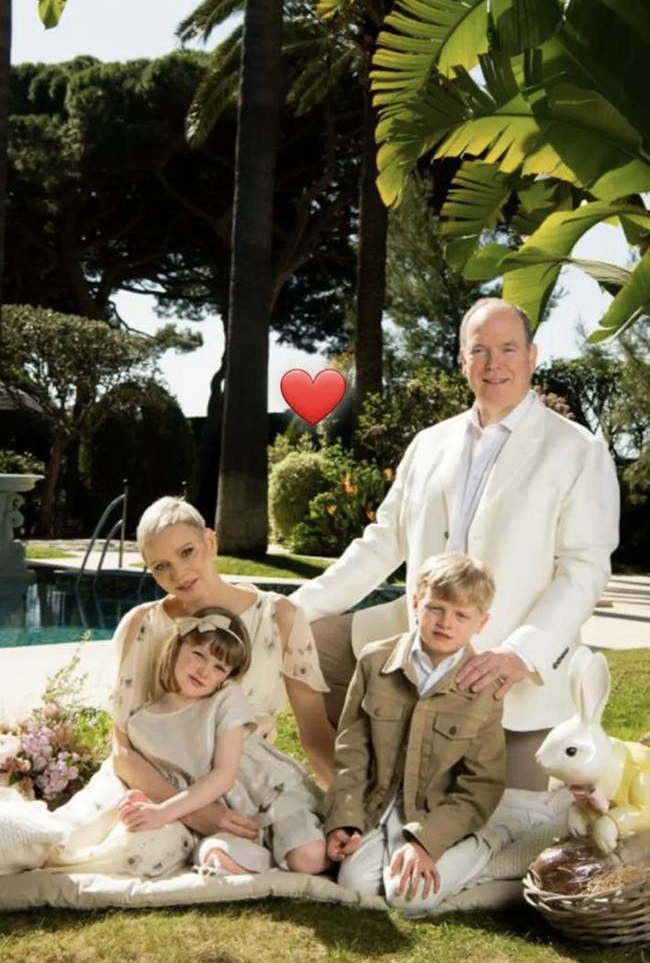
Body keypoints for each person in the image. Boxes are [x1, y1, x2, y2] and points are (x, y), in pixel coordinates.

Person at [292, 297, 620, 789]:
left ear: (532, 356)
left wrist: (519, 655)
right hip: (420, 646)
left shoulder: (578, 450)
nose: (495, 364)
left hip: (512, 677)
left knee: (509, 836)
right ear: (462, 360)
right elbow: (384, 541)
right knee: (308, 642)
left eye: (508, 348)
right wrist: (296, 607)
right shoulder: (430, 443)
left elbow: (584, 570)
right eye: (480, 350)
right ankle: (344, 787)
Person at [0, 609, 328, 879]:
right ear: (176, 648)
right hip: (219, 814)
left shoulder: (226, 699)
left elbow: (225, 775)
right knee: (221, 858)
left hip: (267, 794)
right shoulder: (142, 724)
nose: (204, 670)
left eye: (218, 667)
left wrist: (162, 812)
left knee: (308, 860)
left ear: (226, 678)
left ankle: (295, 844)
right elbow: (164, 778)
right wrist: (147, 800)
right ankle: (237, 851)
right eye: (197, 654)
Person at [111, 497, 336, 848]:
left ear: (211, 542)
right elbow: (122, 749)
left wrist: (346, 815)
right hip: (157, 787)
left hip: (249, 787)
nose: (178, 574)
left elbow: (315, 734)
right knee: (115, 849)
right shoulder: (141, 626)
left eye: (187, 552)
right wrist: (191, 812)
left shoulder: (280, 617)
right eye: (161, 566)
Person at [327, 553, 505, 915]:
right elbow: (352, 753)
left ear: (481, 623)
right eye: (436, 608)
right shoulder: (375, 662)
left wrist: (427, 842)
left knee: (409, 900)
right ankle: (399, 857)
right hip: (380, 808)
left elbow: (480, 784)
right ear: (415, 604)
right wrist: (346, 819)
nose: (445, 623)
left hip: (435, 813)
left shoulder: (484, 687)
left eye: (462, 615)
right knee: (354, 884)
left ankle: (489, 846)